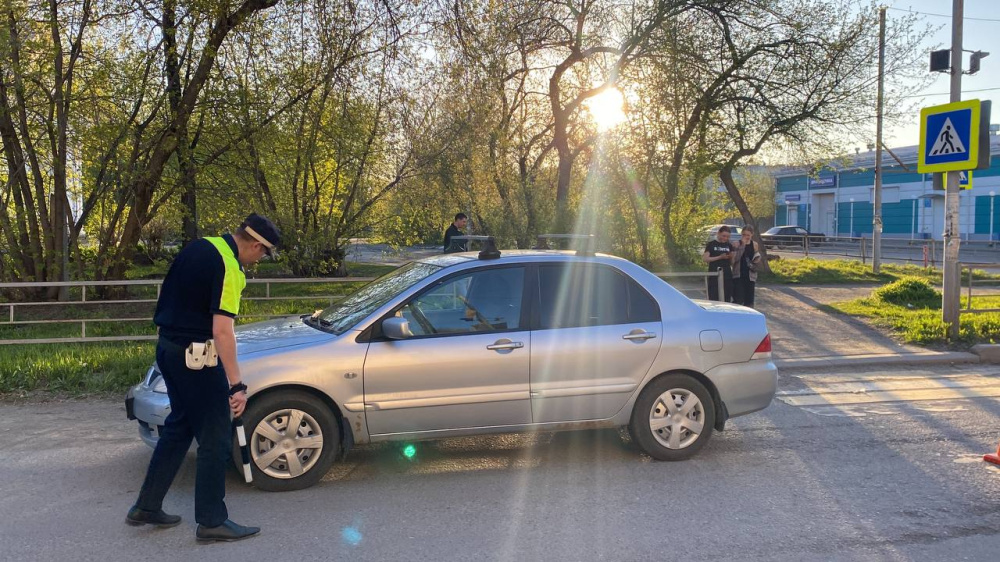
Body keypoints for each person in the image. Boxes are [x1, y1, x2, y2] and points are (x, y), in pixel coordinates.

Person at [126, 213, 280, 543]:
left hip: (168, 349)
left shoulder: (199, 246)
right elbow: (223, 331)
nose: (259, 261)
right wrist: (236, 384)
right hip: (196, 359)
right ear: (256, 245)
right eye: (263, 254)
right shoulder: (229, 267)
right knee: (215, 438)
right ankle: (212, 520)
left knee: (180, 427)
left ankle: (147, 505)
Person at [732, 225, 763, 308]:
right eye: (744, 235)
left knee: (749, 299)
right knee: (739, 298)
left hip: (750, 274)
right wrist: (742, 245)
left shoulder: (754, 244)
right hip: (739, 273)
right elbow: (735, 259)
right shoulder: (737, 243)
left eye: (748, 235)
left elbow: (756, 256)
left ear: (752, 235)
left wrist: (757, 259)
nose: (746, 237)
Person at [703, 226, 734, 302]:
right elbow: (705, 258)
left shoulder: (729, 245)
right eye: (723, 236)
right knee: (714, 296)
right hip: (714, 274)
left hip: (726, 274)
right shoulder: (711, 244)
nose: (725, 238)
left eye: (727, 237)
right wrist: (719, 257)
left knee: (726, 296)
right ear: (718, 233)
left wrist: (732, 257)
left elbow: (732, 263)